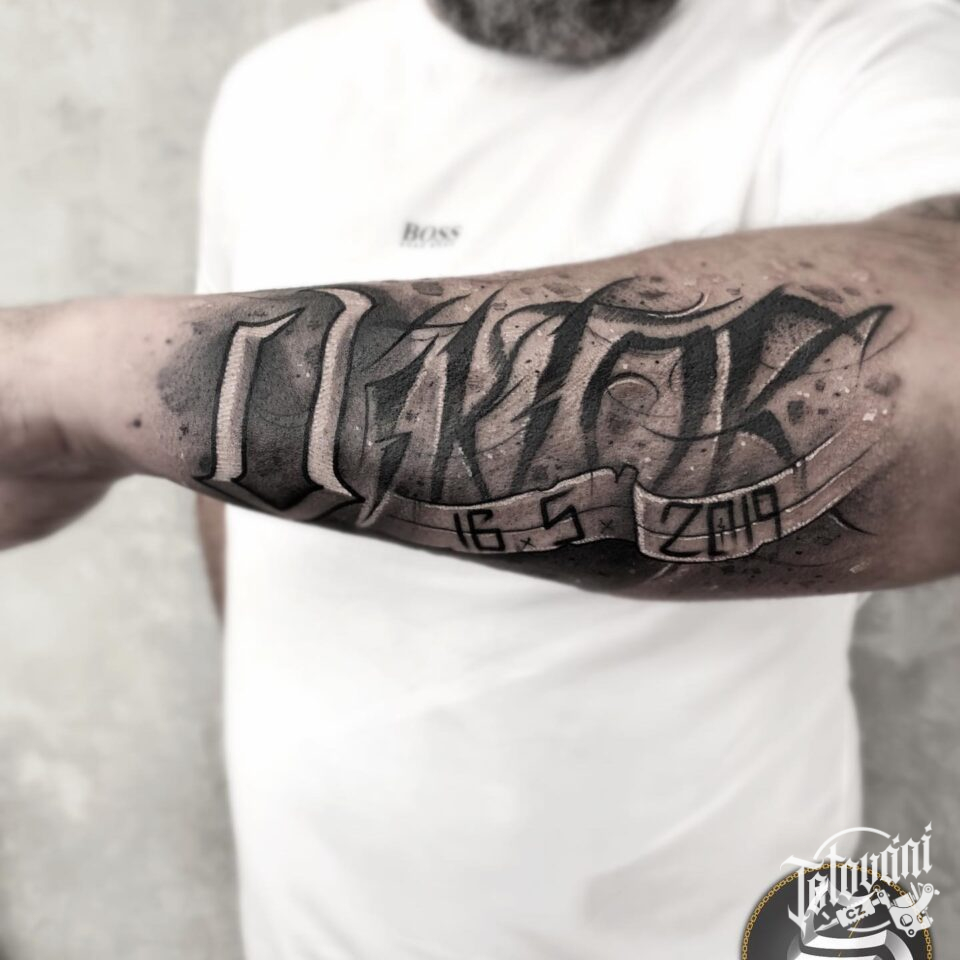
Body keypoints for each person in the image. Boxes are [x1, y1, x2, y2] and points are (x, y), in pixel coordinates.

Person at [1, 0, 959, 956]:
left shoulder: (858, 44)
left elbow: (940, 374)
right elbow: (241, 499)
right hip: (317, 920)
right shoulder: (276, 92)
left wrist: (68, 382)